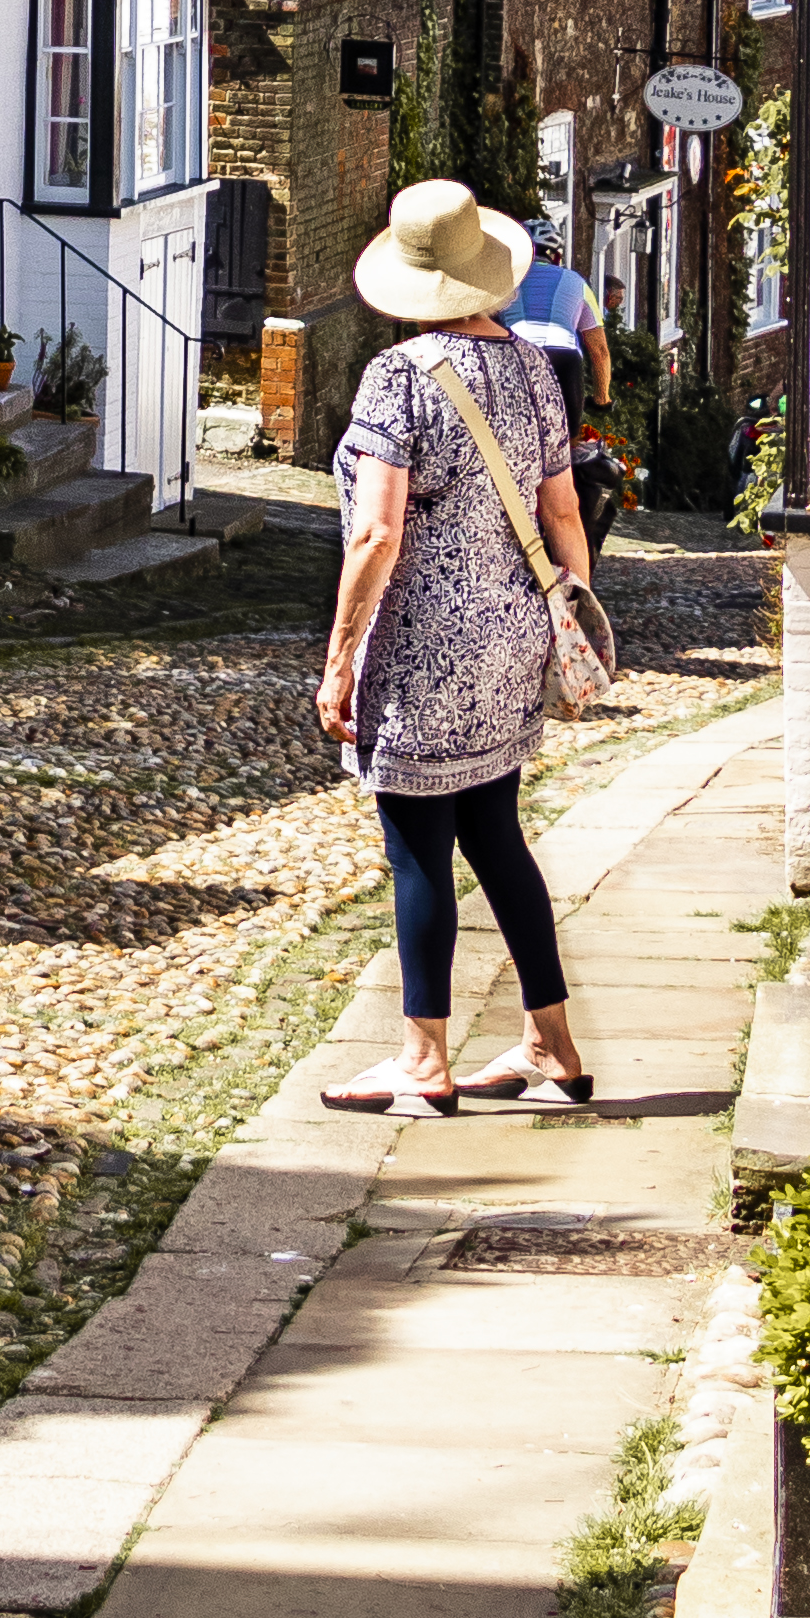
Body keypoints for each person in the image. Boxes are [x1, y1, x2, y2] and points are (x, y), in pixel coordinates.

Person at [312, 177, 600, 1117]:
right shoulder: (529, 366)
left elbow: (375, 535)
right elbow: (561, 509)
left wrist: (340, 654)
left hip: (423, 646)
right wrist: (573, 616)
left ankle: (422, 1061)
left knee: (416, 851)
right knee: (496, 836)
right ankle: (550, 1044)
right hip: (513, 636)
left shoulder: (397, 377)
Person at [502, 235, 625, 557]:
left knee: (508, 443)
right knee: (564, 451)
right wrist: (602, 397)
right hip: (564, 360)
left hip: (518, 356)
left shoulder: (505, 279)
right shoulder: (575, 281)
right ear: (556, 256)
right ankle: (563, 531)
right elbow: (599, 350)